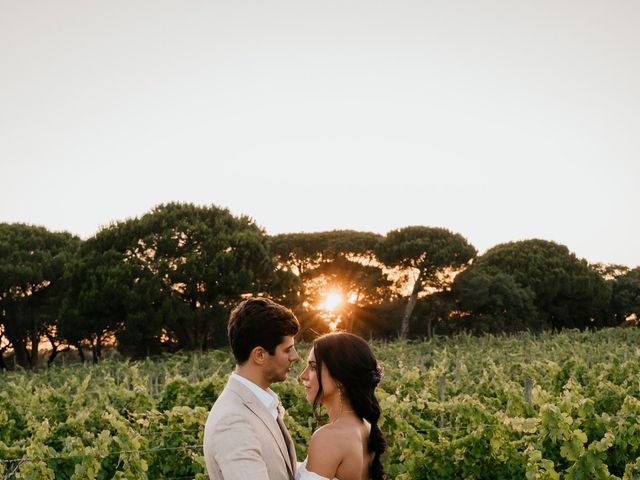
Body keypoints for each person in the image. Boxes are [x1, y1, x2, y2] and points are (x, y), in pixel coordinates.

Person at [203, 297, 300, 480]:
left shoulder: (260, 404)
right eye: (288, 350)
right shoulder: (232, 420)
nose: (295, 357)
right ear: (260, 355)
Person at [297, 332, 386, 480]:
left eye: (313, 367)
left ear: (339, 377)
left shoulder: (328, 437)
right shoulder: (365, 426)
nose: (302, 375)